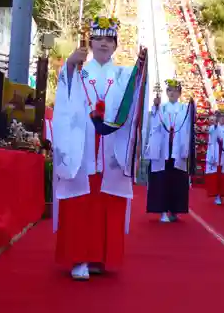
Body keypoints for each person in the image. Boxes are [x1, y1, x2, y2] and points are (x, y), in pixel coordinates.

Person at [52, 15, 147, 280]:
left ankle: (101, 257)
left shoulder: (123, 74)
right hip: (83, 145)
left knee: (107, 201)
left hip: (110, 146)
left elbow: (137, 94)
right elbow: (66, 97)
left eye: (109, 40)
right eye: (99, 39)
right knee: (81, 199)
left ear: (116, 45)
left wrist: (142, 67)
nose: (104, 44)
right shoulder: (79, 70)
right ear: (90, 43)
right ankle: (78, 258)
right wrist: (70, 63)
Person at [145, 78, 192, 222]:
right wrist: (155, 107)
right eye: (170, 91)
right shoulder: (161, 108)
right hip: (163, 149)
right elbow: (154, 125)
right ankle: (163, 211)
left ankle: (174, 210)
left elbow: (189, 126)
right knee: (162, 180)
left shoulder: (184, 109)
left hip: (178, 148)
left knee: (176, 180)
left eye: (175, 91)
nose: (172, 93)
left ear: (179, 93)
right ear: (166, 92)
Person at [205, 110, 224, 205]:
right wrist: (214, 123)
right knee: (215, 175)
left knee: (223, 176)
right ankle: (215, 194)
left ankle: (221, 194)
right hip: (215, 155)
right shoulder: (213, 127)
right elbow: (211, 131)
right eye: (220, 117)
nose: (222, 119)